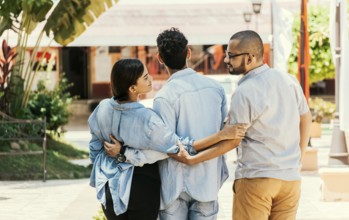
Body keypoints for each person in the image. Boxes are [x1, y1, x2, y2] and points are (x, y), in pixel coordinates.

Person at [171, 30, 313, 220]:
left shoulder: (245, 91)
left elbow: (232, 140)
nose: (226, 60)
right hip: (290, 180)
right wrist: (299, 159)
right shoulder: (289, 81)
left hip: (256, 178)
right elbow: (306, 118)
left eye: (232, 56)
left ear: (250, 57)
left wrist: (192, 159)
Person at [88, 58, 246, 220]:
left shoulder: (103, 108)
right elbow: (173, 147)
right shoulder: (146, 119)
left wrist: (106, 169)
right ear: (133, 88)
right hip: (141, 187)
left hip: (109, 188)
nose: (151, 79)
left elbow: (94, 147)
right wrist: (222, 135)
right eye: (145, 77)